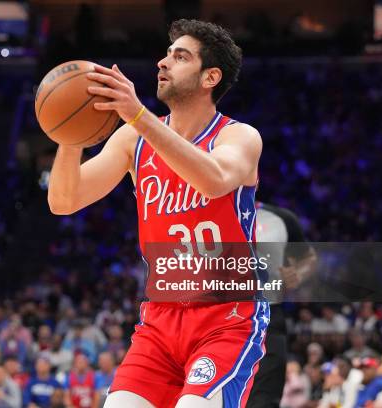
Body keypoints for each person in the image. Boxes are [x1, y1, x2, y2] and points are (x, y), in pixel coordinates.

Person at [48, 18, 267, 407]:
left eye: (180, 57)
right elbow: (64, 201)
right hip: (160, 321)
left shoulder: (238, 136)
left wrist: (137, 115)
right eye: (166, 55)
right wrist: (70, 135)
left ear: (209, 77)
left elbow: (214, 179)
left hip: (227, 317)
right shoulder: (133, 139)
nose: (163, 63)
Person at [248, 202, 315, 408]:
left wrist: (298, 274)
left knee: (264, 399)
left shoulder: (280, 218)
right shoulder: (203, 211)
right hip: (215, 318)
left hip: (268, 316)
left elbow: (308, 257)